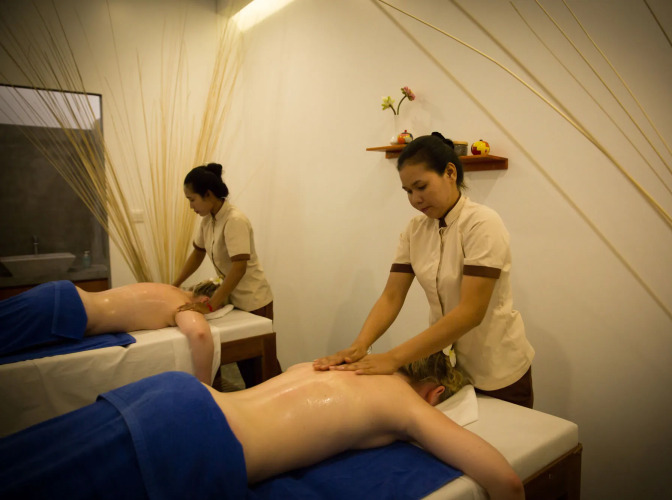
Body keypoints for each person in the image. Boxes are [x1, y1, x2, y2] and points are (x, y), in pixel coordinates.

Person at [0, 353, 525, 500]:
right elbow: (505, 479)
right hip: (195, 440)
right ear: (436, 394)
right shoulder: (407, 404)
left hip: (178, 394)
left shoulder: (335, 362)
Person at [314, 132, 535, 408]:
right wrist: (360, 345)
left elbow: (470, 312)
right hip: (449, 368)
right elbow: (392, 296)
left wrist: (393, 358)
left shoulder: (482, 224)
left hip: (497, 370)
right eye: (408, 191)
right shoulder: (415, 230)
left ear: (450, 172)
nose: (416, 199)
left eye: (421, 186)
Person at [172, 162, 278, 388]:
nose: (190, 206)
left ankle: (279, 401)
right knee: (245, 364)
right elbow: (197, 254)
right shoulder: (208, 221)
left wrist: (211, 305)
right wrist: (175, 284)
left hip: (254, 299)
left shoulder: (234, 220)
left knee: (260, 367)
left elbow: (239, 269)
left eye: (192, 199)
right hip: (234, 299)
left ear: (208, 195)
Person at [0, 279, 222, 384]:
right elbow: (200, 334)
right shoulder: (183, 305)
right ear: (205, 301)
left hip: (61, 294)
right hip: (64, 311)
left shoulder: (168, 287)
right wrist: (206, 388)